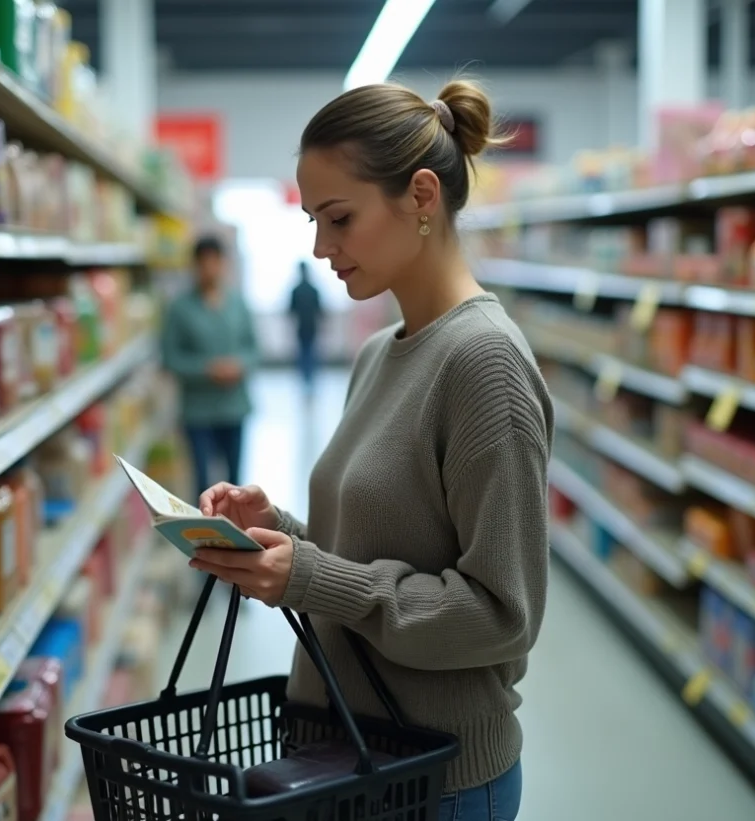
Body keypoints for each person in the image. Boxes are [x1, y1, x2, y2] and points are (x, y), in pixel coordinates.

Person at [190, 80, 551, 821]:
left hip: (437, 778)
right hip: (350, 758)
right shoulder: (381, 353)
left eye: (340, 218)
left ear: (422, 196)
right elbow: (381, 548)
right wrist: (281, 531)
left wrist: (312, 575)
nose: (321, 248)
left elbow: (501, 614)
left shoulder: (484, 363)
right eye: (314, 221)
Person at [160, 235, 259, 494]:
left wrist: (239, 365)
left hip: (234, 406)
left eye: (215, 262)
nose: (209, 269)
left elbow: (253, 348)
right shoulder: (180, 308)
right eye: (203, 263)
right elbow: (170, 358)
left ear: (223, 264)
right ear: (194, 266)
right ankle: (203, 532)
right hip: (198, 411)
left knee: (236, 481)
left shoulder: (237, 303)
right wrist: (207, 369)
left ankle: (236, 531)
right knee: (202, 481)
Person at [288, 261, 324, 388]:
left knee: (305, 352)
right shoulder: (313, 289)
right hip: (310, 326)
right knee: (309, 352)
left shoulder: (296, 290)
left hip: (303, 326)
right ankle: (309, 379)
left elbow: (291, 310)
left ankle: (306, 379)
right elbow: (320, 310)